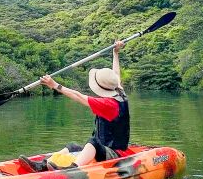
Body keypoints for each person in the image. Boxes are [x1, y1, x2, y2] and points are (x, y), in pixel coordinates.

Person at [26, 39, 132, 169]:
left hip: (115, 153)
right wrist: (116, 53)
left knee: (92, 142)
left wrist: (55, 85)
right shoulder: (120, 92)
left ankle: (73, 168)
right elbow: (116, 75)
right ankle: (42, 165)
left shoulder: (108, 104)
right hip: (103, 149)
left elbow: (78, 96)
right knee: (72, 146)